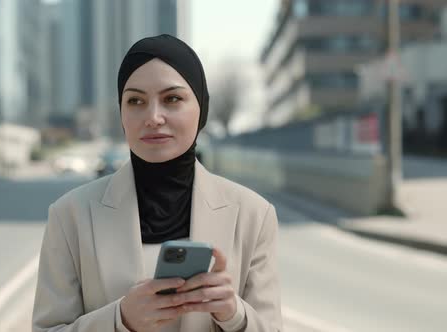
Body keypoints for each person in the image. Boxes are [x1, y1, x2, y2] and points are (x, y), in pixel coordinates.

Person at [32, 34, 282, 332]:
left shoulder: (253, 215)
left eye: (172, 99)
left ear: (201, 107)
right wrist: (120, 320)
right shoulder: (70, 215)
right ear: (122, 113)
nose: (153, 117)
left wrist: (234, 314)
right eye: (135, 100)